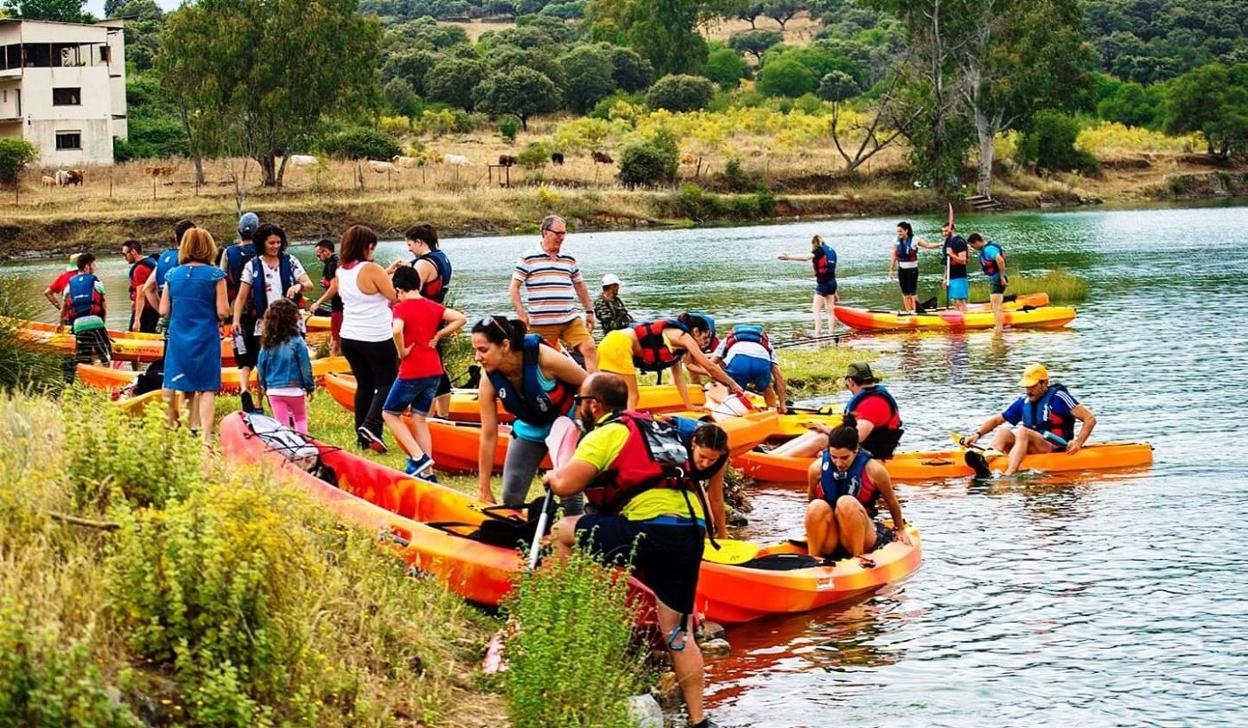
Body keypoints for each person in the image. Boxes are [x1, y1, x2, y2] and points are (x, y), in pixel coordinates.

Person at [544, 373, 723, 728]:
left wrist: (552, 477)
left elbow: (566, 485)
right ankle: (699, 721)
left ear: (594, 405)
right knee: (678, 633)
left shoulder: (608, 431)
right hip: (690, 532)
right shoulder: (662, 427)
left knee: (563, 531)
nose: (581, 409)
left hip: (651, 529)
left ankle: (561, 613)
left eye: (581, 402)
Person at [471, 316, 587, 506]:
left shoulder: (544, 357)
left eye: (483, 350)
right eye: (475, 350)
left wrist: (579, 423)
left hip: (565, 422)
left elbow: (588, 383)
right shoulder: (488, 379)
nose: (477, 357)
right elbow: (489, 433)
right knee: (511, 498)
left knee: (569, 494)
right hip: (530, 427)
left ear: (505, 345)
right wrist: (484, 488)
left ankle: (577, 529)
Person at [382, 266, 467, 477]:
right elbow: (460, 318)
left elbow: (396, 329)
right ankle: (428, 473)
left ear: (399, 289)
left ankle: (418, 457)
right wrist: (439, 334)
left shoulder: (401, 308)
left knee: (389, 413)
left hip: (412, 370)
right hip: (434, 370)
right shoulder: (433, 306)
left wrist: (401, 351)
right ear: (418, 285)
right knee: (419, 418)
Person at [325, 225, 398, 452]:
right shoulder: (372, 268)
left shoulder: (341, 271)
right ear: (367, 247)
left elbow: (365, 286)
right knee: (388, 382)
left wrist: (388, 271)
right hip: (375, 335)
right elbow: (394, 296)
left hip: (350, 336)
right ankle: (372, 424)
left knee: (365, 385)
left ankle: (362, 436)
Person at [804, 414, 911, 559]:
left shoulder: (874, 470)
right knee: (816, 505)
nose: (838, 463)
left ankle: (858, 557)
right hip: (833, 537)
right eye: (834, 457)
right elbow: (811, 499)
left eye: (844, 458)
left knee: (846, 502)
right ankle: (813, 558)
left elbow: (891, 502)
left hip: (862, 533)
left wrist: (900, 529)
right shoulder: (816, 469)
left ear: (856, 451)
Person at [231, 223, 312, 413]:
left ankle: (294, 399)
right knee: (264, 362)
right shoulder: (252, 266)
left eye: (278, 242)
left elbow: (308, 283)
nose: (275, 246)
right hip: (265, 323)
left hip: (291, 321)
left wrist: (298, 287)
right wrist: (235, 320)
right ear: (262, 243)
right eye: (271, 243)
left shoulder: (290, 261)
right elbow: (242, 296)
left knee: (293, 358)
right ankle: (261, 402)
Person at [961, 363, 1097, 477]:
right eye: (1026, 386)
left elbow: (1089, 419)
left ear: (1044, 384)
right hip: (1031, 445)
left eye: (1032, 386)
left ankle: (1009, 473)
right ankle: (984, 462)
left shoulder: (1059, 397)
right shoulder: (1024, 401)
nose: (1028, 390)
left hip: (1056, 448)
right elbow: (997, 420)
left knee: (1022, 431)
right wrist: (976, 435)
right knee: (1003, 432)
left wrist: (1078, 442)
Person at [159, 228, 229, 444]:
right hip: (205, 335)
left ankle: (187, 430)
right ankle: (206, 438)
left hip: (179, 336)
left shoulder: (172, 275)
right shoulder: (216, 275)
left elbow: (163, 311)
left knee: (184, 385)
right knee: (207, 386)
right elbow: (223, 311)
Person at [597, 313, 743, 411]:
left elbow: (679, 379)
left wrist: (689, 406)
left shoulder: (676, 347)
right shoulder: (684, 336)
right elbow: (710, 366)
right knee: (633, 395)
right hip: (619, 344)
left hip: (609, 341)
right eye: (705, 338)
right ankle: (627, 428)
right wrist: (733, 383)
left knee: (606, 391)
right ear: (696, 331)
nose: (705, 343)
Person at [509, 215, 598, 371]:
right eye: (558, 233)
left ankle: (594, 391)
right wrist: (522, 315)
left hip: (569, 319)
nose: (561, 237)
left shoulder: (568, 257)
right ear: (545, 232)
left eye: (564, 233)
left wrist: (589, 311)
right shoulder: (528, 257)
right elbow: (513, 287)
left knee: (590, 348)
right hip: (541, 322)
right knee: (535, 361)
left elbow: (579, 284)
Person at [386, 224, 455, 417]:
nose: (409, 248)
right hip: (436, 314)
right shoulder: (441, 257)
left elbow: (411, 289)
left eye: (410, 244)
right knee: (436, 363)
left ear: (419, 242)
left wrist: (392, 278)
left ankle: (429, 413)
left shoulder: (423, 264)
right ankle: (442, 413)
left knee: (425, 365)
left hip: (422, 318)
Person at [770, 362, 904, 459]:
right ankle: (773, 456)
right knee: (815, 433)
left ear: (851, 381)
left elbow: (856, 437)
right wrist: (824, 427)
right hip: (866, 445)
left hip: (875, 452)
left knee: (822, 439)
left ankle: (775, 462)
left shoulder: (873, 403)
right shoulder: (869, 396)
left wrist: (826, 429)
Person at [256, 298, 316, 435]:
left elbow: (261, 367)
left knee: (281, 424)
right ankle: (304, 444)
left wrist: (264, 385)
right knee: (300, 419)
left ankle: (287, 449)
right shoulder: (297, 341)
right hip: (294, 389)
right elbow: (305, 366)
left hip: (274, 390)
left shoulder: (267, 343)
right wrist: (310, 387)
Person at [136, 219, 196, 334]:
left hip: (170, 322)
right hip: (188, 322)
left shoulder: (164, 258)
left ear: (175, 237)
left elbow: (148, 288)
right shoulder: (188, 260)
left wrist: (163, 312)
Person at [710, 323, 787, 413]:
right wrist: (782, 404)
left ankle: (732, 411)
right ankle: (772, 411)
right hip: (761, 362)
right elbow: (778, 376)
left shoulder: (726, 340)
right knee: (767, 387)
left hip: (738, 362)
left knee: (733, 387)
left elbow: (711, 364)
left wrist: (717, 378)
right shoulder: (767, 344)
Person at [59, 253, 110, 381]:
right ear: (87, 267)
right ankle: (107, 379)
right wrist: (102, 323)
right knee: (105, 356)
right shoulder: (96, 281)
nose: (95, 267)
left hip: (78, 326)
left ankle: (83, 382)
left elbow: (64, 307)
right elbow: (103, 305)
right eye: (93, 264)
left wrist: (60, 324)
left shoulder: (69, 285)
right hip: (96, 323)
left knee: (83, 358)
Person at [779, 234, 838, 339]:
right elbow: (831, 271)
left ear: (814, 243)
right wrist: (835, 292)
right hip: (832, 283)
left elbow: (805, 257)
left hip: (823, 284)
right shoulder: (831, 251)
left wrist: (788, 257)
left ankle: (818, 333)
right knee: (830, 311)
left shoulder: (819, 250)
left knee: (816, 309)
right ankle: (831, 334)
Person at [887, 222, 941, 313]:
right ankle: (908, 311)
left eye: (900, 231)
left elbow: (928, 245)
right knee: (905, 291)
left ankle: (916, 310)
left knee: (912, 291)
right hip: (901, 269)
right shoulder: (895, 241)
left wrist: (940, 244)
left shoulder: (914, 239)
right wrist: (891, 270)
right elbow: (894, 256)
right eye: (898, 232)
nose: (899, 233)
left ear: (906, 230)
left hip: (912, 269)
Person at [968, 233, 1008, 332]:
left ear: (977, 242)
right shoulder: (989, 247)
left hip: (997, 279)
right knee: (994, 304)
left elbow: (1000, 260)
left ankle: (999, 328)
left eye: (973, 246)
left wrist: (1002, 276)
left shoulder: (988, 249)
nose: (974, 248)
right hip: (995, 279)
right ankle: (998, 326)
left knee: (996, 305)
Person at [219, 212, 259, 305]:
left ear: (239, 231)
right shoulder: (263, 250)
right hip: (260, 303)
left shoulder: (229, 252)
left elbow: (222, 278)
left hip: (237, 303)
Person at [311, 238, 343, 356]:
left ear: (325, 251)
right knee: (335, 341)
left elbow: (334, 287)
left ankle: (332, 369)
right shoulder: (340, 261)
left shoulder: (331, 265)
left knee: (335, 344)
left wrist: (318, 303)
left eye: (319, 256)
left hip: (339, 308)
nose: (318, 259)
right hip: (345, 307)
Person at [121, 240, 159, 333]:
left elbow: (141, 295)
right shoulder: (150, 262)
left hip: (145, 311)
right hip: (153, 310)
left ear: (133, 252)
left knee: (136, 337)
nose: (124, 257)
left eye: (125, 254)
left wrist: (137, 320)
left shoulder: (140, 269)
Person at [941, 221, 970, 310]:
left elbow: (963, 260)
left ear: (952, 230)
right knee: (954, 301)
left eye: (946, 231)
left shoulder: (959, 242)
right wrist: (945, 278)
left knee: (959, 300)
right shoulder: (947, 242)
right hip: (950, 276)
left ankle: (965, 318)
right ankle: (958, 317)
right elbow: (946, 263)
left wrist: (952, 255)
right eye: (943, 231)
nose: (944, 233)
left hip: (959, 276)